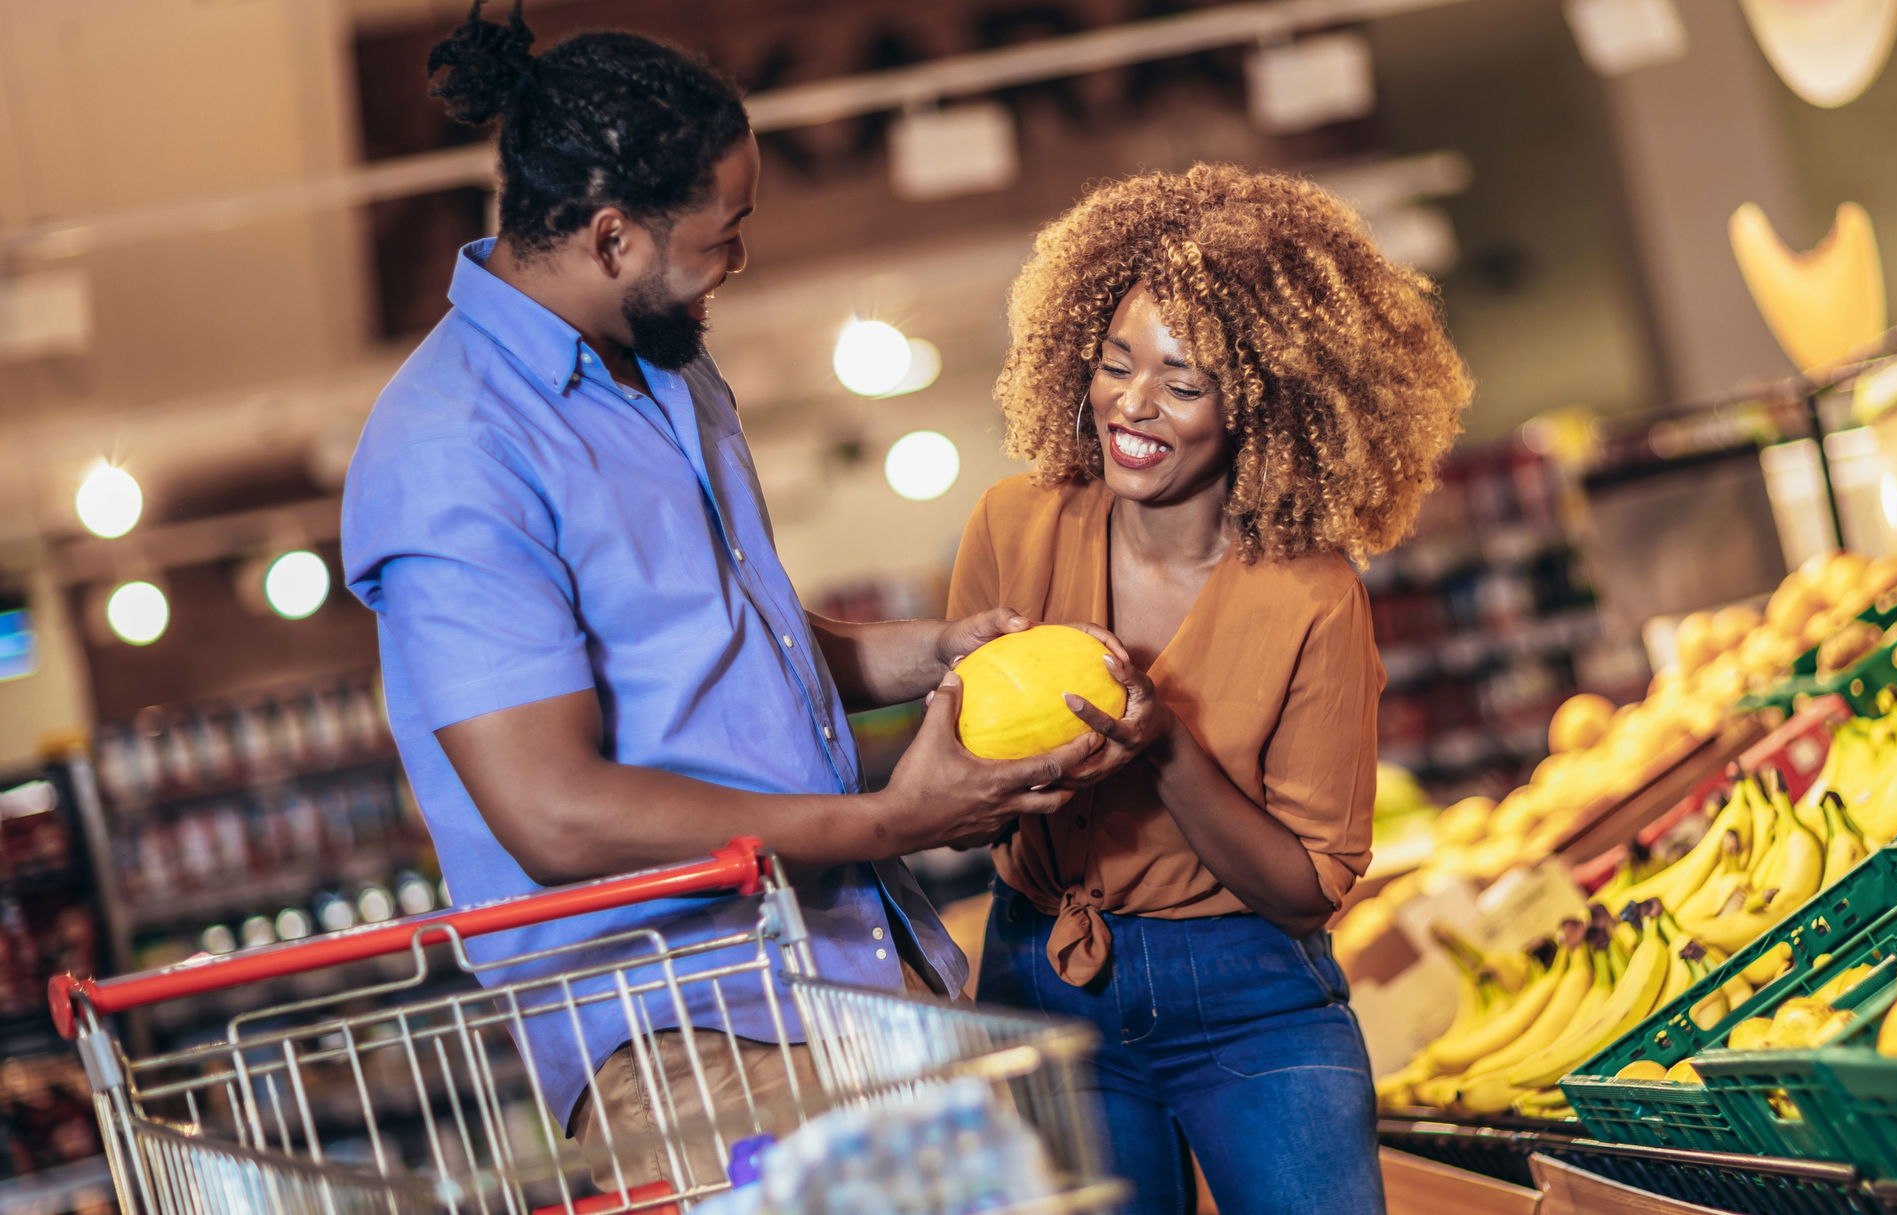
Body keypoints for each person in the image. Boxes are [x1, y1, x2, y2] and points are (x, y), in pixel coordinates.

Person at [340, 1, 1107, 1192]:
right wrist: (891, 820)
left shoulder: (664, 368)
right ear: (610, 237)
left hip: (848, 959)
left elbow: (720, 649)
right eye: (723, 232)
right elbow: (553, 812)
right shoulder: (451, 450)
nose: (737, 263)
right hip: (680, 1031)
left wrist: (927, 654)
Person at [948, 164, 1471, 1215]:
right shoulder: (1016, 525)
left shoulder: (1314, 596)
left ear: (1265, 406)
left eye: (1183, 384)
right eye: (1112, 364)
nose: (1131, 407)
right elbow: (950, 774)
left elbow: (1304, 889)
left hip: (1250, 1000)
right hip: (1043, 981)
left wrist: (1161, 746)